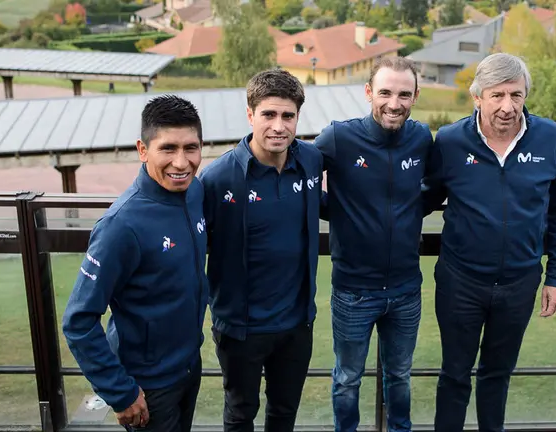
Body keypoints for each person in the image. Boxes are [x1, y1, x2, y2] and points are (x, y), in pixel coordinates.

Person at [422, 53, 556, 432]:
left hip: (520, 284)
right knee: (455, 375)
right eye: (497, 96)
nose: (508, 107)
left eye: (516, 95)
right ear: (477, 97)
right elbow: (422, 198)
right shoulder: (451, 140)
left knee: (497, 375)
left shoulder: (550, 137)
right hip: (460, 283)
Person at [62, 95, 209, 431]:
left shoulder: (196, 192)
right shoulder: (120, 225)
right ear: (143, 150)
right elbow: (78, 321)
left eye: (191, 148)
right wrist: (121, 392)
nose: (182, 162)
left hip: (189, 366)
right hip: (147, 385)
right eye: (168, 148)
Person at [198, 69, 324, 432]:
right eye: (268, 114)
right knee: (240, 414)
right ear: (250, 114)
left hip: (297, 323)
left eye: (288, 116)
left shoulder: (311, 161)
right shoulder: (218, 178)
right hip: (241, 328)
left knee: (284, 415)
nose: (279, 126)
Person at [313, 56, 433, 432]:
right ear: (368, 92)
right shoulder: (338, 137)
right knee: (347, 377)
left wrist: (412, 211)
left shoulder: (422, 138)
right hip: (353, 292)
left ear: (415, 96)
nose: (394, 103)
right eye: (385, 92)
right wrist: (341, 211)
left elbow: (434, 187)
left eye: (403, 94)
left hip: (406, 290)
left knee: (399, 375)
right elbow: (297, 177)